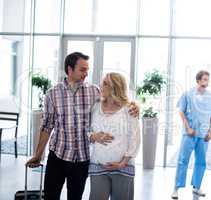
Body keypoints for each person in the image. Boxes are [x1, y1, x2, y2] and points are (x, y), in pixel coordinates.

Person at [26, 52, 139, 200]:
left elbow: (117, 98)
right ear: (69, 69)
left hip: (81, 159)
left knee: (75, 197)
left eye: (87, 70)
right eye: (82, 69)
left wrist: (134, 105)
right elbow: (47, 127)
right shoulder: (52, 94)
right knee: (50, 196)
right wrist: (38, 154)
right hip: (57, 156)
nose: (86, 74)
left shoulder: (94, 92)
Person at [88, 72, 140, 200]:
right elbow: (86, 130)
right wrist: (93, 136)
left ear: (115, 87)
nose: (101, 86)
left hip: (123, 167)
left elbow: (135, 138)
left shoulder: (129, 109)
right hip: (98, 165)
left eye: (105, 83)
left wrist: (123, 163)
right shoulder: (95, 107)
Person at [171, 70, 211, 199]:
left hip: (203, 135)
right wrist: (188, 128)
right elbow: (181, 111)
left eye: (207, 80)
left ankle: (197, 187)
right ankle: (176, 188)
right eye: (203, 80)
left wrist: (210, 131)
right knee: (183, 160)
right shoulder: (188, 94)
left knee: (201, 161)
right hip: (189, 133)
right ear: (197, 80)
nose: (206, 82)